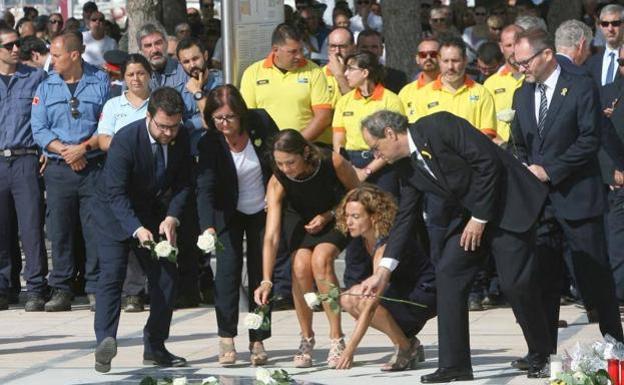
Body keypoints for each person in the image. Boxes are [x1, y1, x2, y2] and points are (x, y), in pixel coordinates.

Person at [359, 110, 552, 382]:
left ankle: (541, 354)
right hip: (472, 216)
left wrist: (480, 217)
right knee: (449, 273)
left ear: (390, 134)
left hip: (509, 206)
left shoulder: (440, 125)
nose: (376, 156)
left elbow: (488, 163)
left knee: (514, 284)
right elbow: (406, 216)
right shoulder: (404, 164)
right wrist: (383, 270)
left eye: (375, 148)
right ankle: (455, 365)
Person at [510, 27, 624, 368]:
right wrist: (524, 167)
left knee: (594, 276)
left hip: (577, 197)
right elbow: (520, 141)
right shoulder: (521, 94)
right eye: (515, 63)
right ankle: (541, 353)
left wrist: (550, 170)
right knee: (543, 278)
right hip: (540, 203)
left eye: (525, 61)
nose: (521, 68)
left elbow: (590, 140)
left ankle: (616, 345)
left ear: (546, 55)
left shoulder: (579, 86)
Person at [92, 87, 191, 373]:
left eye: (174, 126)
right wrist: (136, 229)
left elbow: (185, 182)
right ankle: (105, 342)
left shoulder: (181, 137)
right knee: (112, 275)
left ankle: (155, 346)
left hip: (153, 212)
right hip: (114, 214)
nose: (169, 133)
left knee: (166, 277)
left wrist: (172, 216)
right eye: (163, 126)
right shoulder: (126, 139)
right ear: (149, 116)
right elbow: (116, 194)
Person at [254, 129, 359, 368]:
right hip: (299, 217)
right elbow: (271, 235)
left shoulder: (331, 160)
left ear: (305, 153)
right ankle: (306, 337)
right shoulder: (278, 178)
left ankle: (336, 337)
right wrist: (267, 280)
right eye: (280, 163)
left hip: (336, 212)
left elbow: (357, 192)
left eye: (290, 162)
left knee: (321, 260)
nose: (286, 169)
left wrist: (329, 214)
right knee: (300, 266)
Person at [196, 85, 279, 366]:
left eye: (229, 117)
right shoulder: (209, 142)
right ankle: (226, 337)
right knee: (227, 275)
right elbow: (205, 187)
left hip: (261, 210)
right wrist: (208, 226)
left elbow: (280, 160)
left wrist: (276, 194)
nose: (224, 124)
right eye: (218, 118)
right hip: (227, 212)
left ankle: (258, 338)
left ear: (241, 114)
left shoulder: (261, 123)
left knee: (261, 275)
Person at [31, 32, 110, 312]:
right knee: (60, 230)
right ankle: (62, 288)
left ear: (74, 55)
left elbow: (107, 122)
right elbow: (39, 128)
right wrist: (65, 150)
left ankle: (95, 287)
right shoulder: (46, 86)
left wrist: (83, 149)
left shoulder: (100, 81)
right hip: (58, 168)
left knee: (94, 228)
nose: (52, 60)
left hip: (92, 166)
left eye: (57, 55)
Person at [333, 185, 436, 371]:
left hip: (424, 295)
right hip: (400, 291)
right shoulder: (361, 239)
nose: (348, 222)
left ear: (374, 217)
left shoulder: (385, 246)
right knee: (348, 297)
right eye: (347, 215)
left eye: (355, 217)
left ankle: (405, 348)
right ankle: (407, 342)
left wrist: (349, 350)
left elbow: (371, 304)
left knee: (360, 298)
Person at [97, 54, 152, 313]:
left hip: (151, 177)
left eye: (140, 73)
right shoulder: (113, 105)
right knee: (127, 231)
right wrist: (129, 148)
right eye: (130, 75)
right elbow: (104, 139)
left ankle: (148, 288)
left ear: (149, 75)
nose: (135, 79)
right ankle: (132, 293)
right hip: (120, 176)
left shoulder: (157, 104)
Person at [0, 28, 48, 311]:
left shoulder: (35, 78)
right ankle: (4, 286)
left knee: (31, 228)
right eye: (9, 45)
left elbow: (46, 116)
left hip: (25, 157)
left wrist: (44, 149)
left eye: (18, 43)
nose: (16, 49)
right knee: (1, 228)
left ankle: (36, 287)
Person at [240, 23, 332, 144]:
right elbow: (248, 116)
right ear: (275, 50)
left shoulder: (314, 71)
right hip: (267, 148)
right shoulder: (253, 73)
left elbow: (323, 117)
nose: (299, 56)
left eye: (301, 50)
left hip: (305, 147)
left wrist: (293, 144)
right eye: (293, 52)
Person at [399, 38, 440, 120]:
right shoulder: (405, 92)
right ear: (417, 59)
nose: (428, 58)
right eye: (423, 55)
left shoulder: (450, 87)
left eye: (433, 54)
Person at [585, 4, 624, 86]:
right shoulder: (590, 63)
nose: (610, 29)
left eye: (615, 23)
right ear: (599, 26)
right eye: (605, 24)